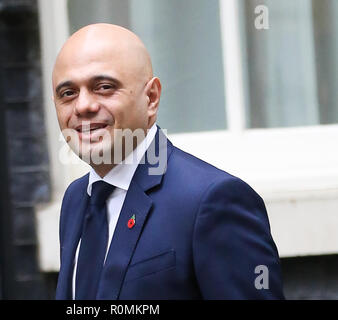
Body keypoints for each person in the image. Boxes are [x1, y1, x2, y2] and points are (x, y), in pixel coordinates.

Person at [52, 23, 284, 300]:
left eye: (103, 87)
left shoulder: (211, 200)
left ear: (151, 98)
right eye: (68, 93)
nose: (83, 106)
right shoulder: (75, 199)